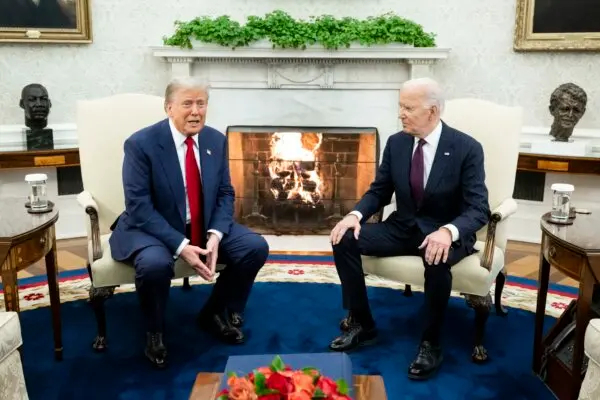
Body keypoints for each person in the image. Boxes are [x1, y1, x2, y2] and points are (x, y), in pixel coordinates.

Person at [327, 78, 490, 380]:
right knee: (344, 238)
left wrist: (449, 231)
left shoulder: (466, 148)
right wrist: (355, 215)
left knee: (436, 256)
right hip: (402, 227)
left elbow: (479, 208)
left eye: (408, 108)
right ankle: (363, 324)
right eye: (400, 106)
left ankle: (431, 342)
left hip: (445, 233)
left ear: (432, 111)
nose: (400, 114)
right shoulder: (397, 143)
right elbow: (379, 191)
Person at [109, 77, 269, 368]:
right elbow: (139, 206)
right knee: (155, 265)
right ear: (169, 107)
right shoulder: (141, 144)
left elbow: (224, 192)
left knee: (254, 247)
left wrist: (216, 234)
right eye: (187, 104)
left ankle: (214, 312)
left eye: (201, 103)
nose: (195, 111)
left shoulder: (215, 140)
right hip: (151, 227)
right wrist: (181, 246)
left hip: (201, 223)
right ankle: (154, 331)